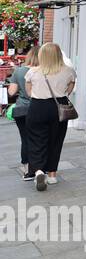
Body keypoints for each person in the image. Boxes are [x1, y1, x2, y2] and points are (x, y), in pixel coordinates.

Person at [25, 43, 76, 191]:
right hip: (59, 107)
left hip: (38, 107)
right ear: (59, 54)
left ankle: (39, 171)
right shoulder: (69, 71)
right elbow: (69, 90)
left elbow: (29, 92)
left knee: (36, 140)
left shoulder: (33, 72)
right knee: (56, 140)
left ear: (41, 55)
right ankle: (52, 175)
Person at [7, 48, 37, 177]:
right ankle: (40, 167)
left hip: (21, 110)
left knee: (25, 139)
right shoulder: (43, 71)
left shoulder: (19, 71)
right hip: (38, 108)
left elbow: (11, 92)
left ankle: (27, 168)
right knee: (39, 138)